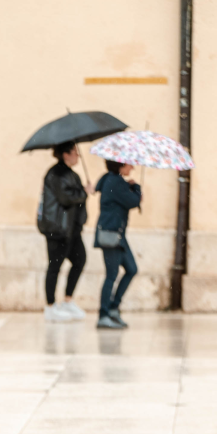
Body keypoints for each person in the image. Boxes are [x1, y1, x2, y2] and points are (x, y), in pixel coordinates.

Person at [39, 141, 90, 322]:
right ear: (66, 154)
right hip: (57, 229)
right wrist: (84, 192)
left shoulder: (72, 174)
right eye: (75, 152)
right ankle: (50, 306)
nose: (78, 155)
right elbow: (66, 197)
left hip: (72, 229)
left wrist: (83, 191)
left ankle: (68, 300)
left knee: (80, 259)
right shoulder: (56, 173)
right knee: (54, 266)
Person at [94, 160, 142, 330]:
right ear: (120, 164)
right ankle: (103, 315)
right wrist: (136, 188)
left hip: (118, 235)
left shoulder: (113, 180)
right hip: (111, 235)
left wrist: (129, 186)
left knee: (131, 269)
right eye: (130, 164)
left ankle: (113, 308)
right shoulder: (114, 182)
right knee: (111, 275)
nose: (132, 167)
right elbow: (133, 201)